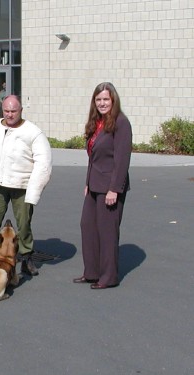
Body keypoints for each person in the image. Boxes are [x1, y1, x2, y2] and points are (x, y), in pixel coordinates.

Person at [0, 95, 52, 275]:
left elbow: (43, 163)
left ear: (21, 110)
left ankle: (26, 257)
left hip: (22, 185)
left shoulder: (33, 132)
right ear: (2, 110)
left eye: (13, 111)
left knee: (24, 224)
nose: (10, 114)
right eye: (6, 111)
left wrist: (33, 192)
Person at [74, 82, 132, 289]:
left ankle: (108, 277)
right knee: (87, 226)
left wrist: (114, 189)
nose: (102, 103)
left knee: (107, 232)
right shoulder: (96, 123)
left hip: (110, 187)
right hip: (94, 184)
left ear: (113, 100)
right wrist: (87, 183)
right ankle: (92, 272)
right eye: (98, 99)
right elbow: (93, 157)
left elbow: (122, 159)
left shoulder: (121, 123)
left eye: (106, 99)